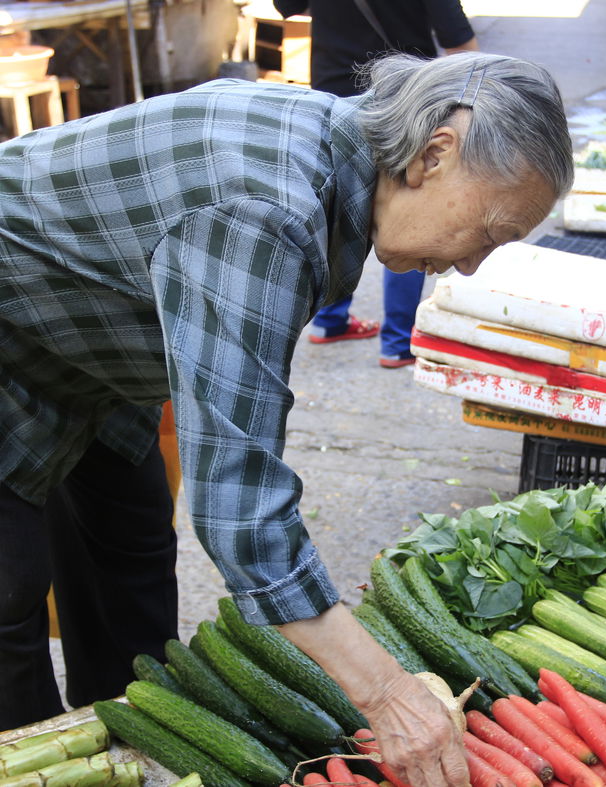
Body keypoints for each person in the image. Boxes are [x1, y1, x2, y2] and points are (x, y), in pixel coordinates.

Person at [0, 52, 573, 787]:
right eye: (490, 233)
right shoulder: (265, 208)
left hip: (89, 360)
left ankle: (126, 755)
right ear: (435, 154)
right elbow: (242, 508)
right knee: (8, 593)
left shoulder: (335, 158)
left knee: (131, 551)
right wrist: (386, 692)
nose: (470, 267)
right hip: (18, 342)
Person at [276, 0, 480, 367]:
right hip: (404, 104)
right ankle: (398, 341)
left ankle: (329, 320)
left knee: (335, 207)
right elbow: (459, 43)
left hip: (331, 100)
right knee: (412, 214)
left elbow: (287, 6)